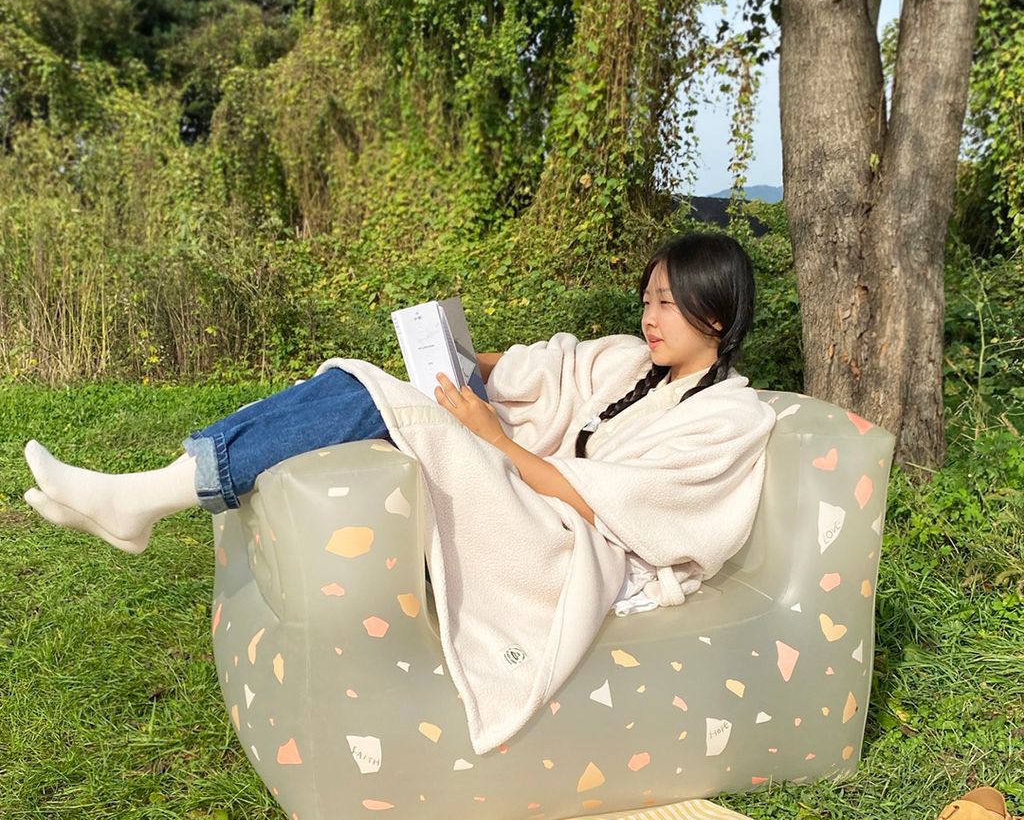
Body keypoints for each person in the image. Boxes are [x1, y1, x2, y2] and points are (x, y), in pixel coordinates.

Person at [22, 231, 752, 573]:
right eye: (647, 300)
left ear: (714, 313)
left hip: (560, 534)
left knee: (372, 397)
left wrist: (494, 440)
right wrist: (459, 356)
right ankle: (142, 498)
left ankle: (139, 501)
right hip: (521, 475)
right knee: (367, 386)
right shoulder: (630, 360)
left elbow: (618, 507)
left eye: (666, 303)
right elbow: (542, 369)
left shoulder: (728, 417)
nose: (648, 317)